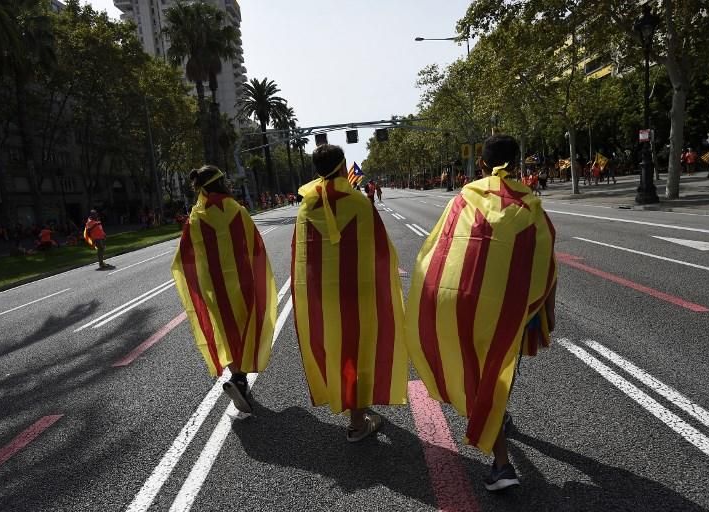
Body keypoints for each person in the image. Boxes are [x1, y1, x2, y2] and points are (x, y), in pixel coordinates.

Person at [405, 135, 557, 492]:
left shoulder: (463, 198)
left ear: (482, 165)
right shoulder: (530, 205)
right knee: (497, 368)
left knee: (476, 369)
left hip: (456, 299)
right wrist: (545, 311)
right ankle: (502, 462)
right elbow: (546, 262)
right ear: (517, 163)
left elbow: (436, 249)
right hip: (505, 305)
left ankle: (496, 422)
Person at [291, 144, 409, 442]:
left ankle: (357, 405)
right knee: (362, 349)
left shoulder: (306, 206)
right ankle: (357, 424)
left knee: (338, 347)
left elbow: (301, 254)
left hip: (324, 294)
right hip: (360, 291)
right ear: (343, 167)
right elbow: (380, 249)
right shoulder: (358, 202)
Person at [171, 165, 277, 413]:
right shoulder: (237, 211)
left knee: (227, 333)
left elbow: (184, 259)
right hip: (243, 283)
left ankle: (237, 377)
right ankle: (241, 381)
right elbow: (255, 247)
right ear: (222, 184)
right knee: (246, 329)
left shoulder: (195, 219)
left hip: (215, 291)